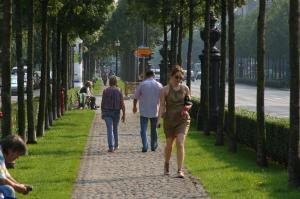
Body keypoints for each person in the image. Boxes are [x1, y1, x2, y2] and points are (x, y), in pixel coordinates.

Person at [157, 66, 192, 178]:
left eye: (181, 77)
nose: (178, 80)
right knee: (169, 145)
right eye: (176, 77)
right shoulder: (165, 90)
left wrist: (186, 108)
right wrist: (158, 120)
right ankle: (166, 164)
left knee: (180, 142)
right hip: (169, 120)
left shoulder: (185, 89)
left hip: (182, 119)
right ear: (171, 76)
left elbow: (189, 102)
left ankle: (179, 170)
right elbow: (162, 106)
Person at [133, 70, 162, 152]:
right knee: (154, 129)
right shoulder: (159, 85)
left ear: (146, 75)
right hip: (155, 110)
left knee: (143, 130)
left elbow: (136, 97)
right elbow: (162, 99)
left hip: (143, 110)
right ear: (153, 76)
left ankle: (145, 146)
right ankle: (153, 145)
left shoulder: (142, 84)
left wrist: (134, 107)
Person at [101, 76, 125, 152]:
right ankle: (116, 145)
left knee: (109, 129)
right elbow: (122, 103)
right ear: (116, 82)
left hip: (107, 112)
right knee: (115, 129)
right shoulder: (119, 91)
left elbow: (102, 103)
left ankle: (111, 147)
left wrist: (102, 112)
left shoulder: (105, 91)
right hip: (116, 112)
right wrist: (124, 114)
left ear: (109, 82)